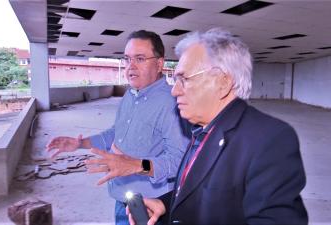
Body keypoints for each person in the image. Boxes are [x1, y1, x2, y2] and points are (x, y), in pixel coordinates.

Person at [127, 28, 308, 225]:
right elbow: (204, 192)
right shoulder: (200, 129)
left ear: (223, 82)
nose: (175, 91)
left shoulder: (270, 140)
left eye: (184, 79)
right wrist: (165, 205)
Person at [46, 30, 189, 225]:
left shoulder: (172, 103)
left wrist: (137, 165)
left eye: (140, 58)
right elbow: (116, 133)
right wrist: (81, 143)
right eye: (127, 59)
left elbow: (179, 161)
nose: (131, 67)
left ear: (159, 63)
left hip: (149, 206)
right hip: (122, 197)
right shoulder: (131, 95)